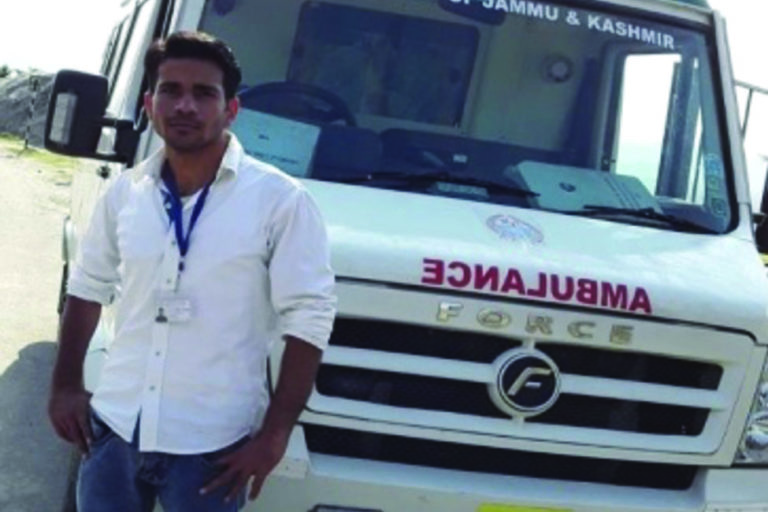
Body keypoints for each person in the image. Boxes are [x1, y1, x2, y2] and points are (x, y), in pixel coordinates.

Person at [47, 31, 336, 512]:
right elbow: (87, 286)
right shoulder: (125, 193)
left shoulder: (280, 203)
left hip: (212, 449)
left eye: (204, 93)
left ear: (231, 110)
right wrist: (64, 386)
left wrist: (275, 434)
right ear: (149, 103)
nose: (185, 105)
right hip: (116, 427)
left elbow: (308, 318)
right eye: (171, 90)